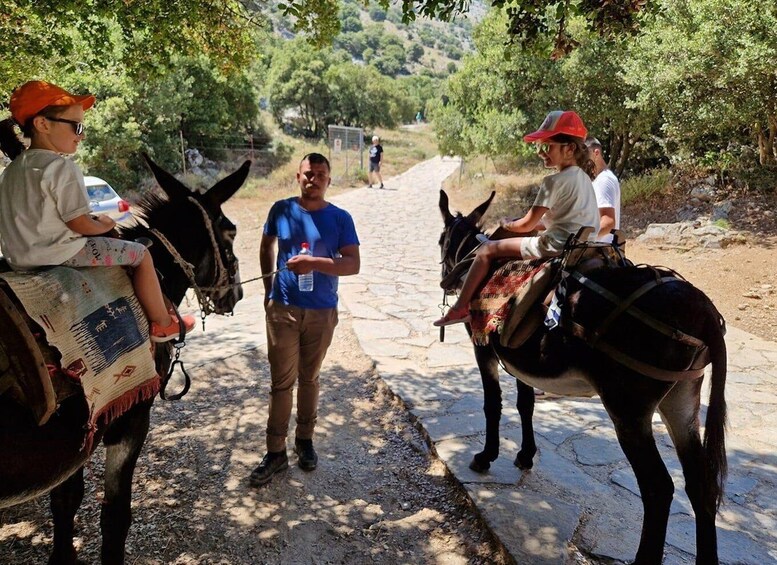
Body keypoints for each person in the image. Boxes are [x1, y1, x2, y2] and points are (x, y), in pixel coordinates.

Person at [0, 80, 194, 342]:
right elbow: (79, 224)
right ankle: (162, 323)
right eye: (76, 127)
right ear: (42, 124)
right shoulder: (61, 168)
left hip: (18, 260)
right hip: (60, 254)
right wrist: (103, 223)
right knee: (140, 255)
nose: (81, 135)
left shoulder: (10, 171)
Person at [251, 152, 360, 486]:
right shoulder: (281, 210)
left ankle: (305, 441)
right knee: (281, 383)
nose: (314, 179)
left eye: (320, 174)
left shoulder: (340, 218)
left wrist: (314, 262)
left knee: (310, 378)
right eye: (308, 174)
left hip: (322, 311)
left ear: (329, 179)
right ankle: (275, 453)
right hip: (282, 308)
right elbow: (266, 246)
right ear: (298, 177)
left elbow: (352, 264)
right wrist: (270, 289)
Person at [433, 110, 600, 327]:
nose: (541, 152)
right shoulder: (585, 179)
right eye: (540, 147)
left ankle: (460, 308)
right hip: (584, 243)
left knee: (487, 250)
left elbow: (527, 224)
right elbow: (567, 218)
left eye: (547, 146)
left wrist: (506, 223)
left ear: (569, 148)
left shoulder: (553, 181)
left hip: (555, 245)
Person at [585, 136, 621, 243]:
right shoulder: (598, 179)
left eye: (584, 156)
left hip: (599, 250)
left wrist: (583, 239)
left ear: (596, 153)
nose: (581, 160)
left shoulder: (604, 181)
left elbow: (608, 222)